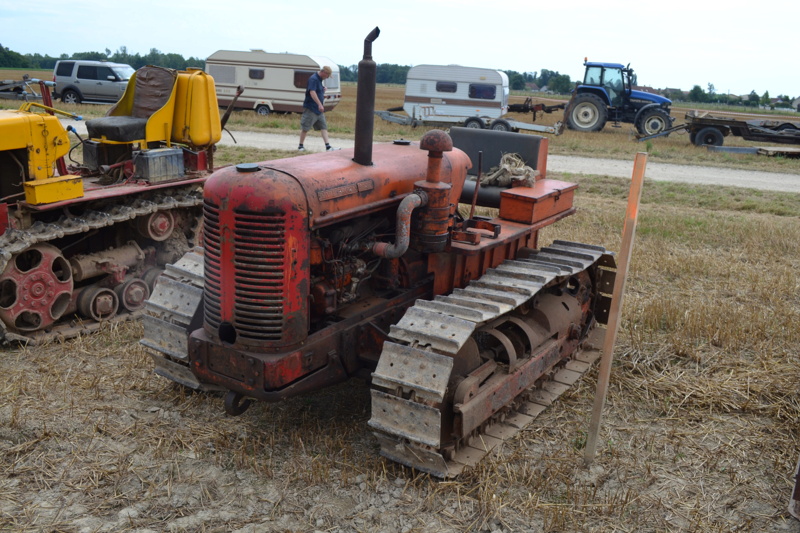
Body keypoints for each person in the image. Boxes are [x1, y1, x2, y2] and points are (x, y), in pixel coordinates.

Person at [298, 65, 336, 151]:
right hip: (311, 108)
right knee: (306, 127)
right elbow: (312, 92)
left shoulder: (319, 80)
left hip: (318, 110)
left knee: (323, 126)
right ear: (323, 73)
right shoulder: (313, 79)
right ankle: (300, 146)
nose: (327, 78)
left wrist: (323, 89)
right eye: (327, 76)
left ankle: (328, 146)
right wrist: (319, 104)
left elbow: (317, 90)